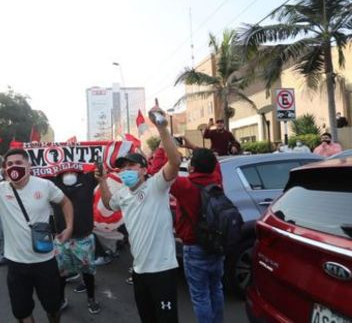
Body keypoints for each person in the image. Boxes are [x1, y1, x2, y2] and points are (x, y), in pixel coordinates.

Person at [0, 142, 74, 323]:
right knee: (22, 313)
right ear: (5, 169)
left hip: (45, 262)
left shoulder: (45, 185)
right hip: (16, 266)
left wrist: (69, 227)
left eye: (18, 162)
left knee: (53, 308)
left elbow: (65, 202)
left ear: (28, 165)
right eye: (9, 164)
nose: (13, 167)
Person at [97, 105, 181, 323]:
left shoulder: (156, 185)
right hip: (139, 271)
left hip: (162, 270)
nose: (126, 171)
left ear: (144, 169)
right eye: (123, 168)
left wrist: (162, 129)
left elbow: (175, 162)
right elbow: (109, 203)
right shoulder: (123, 194)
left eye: (132, 166)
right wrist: (102, 180)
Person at [170, 148, 225, 323]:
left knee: (200, 295)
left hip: (194, 247)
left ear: (192, 167)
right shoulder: (217, 180)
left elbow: (160, 172)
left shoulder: (185, 186)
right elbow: (215, 164)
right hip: (217, 244)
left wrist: (163, 150)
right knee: (216, 289)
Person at [51, 169, 101, 314]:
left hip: (84, 237)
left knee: (88, 272)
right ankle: (61, 299)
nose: (68, 172)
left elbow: (102, 167)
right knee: (61, 273)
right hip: (61, 238)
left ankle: (91, 298)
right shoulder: (52, 182)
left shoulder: (87, 179)